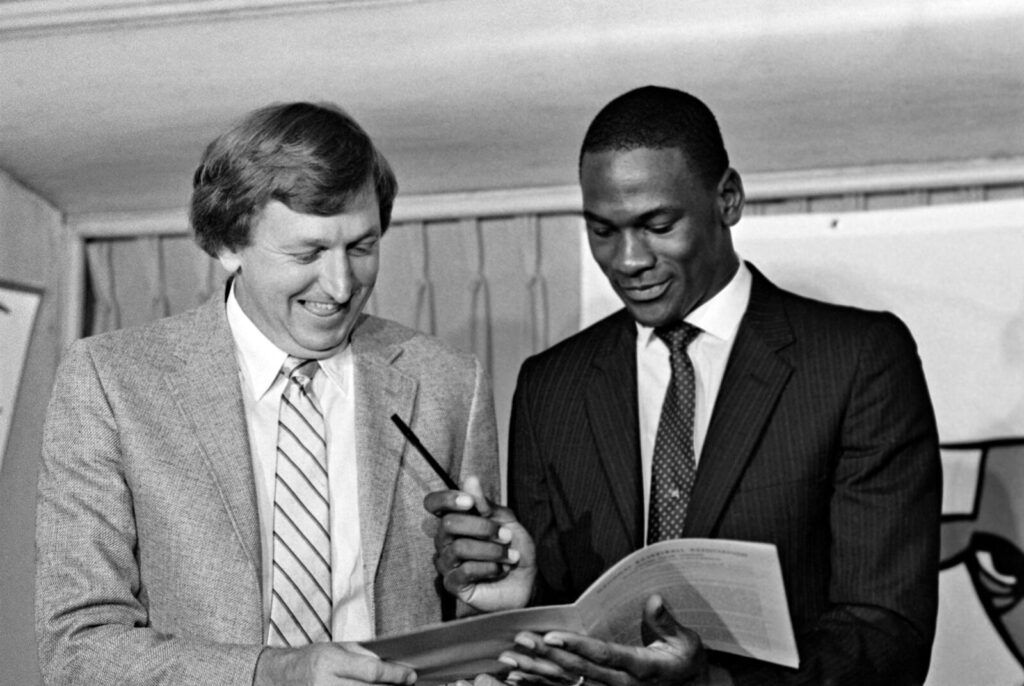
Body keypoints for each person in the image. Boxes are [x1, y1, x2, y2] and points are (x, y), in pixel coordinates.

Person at [427, 86, 942, 685]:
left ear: (728, 198)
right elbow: (566, 617)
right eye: (602, 230)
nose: (627, 260)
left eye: (657, 225)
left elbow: (886, 632)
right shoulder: (551, 385)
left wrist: (710, 685)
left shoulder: (857, 360)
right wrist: (520, 594)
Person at [35, 102, 499, 686]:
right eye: (307, 253)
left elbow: (472, 626)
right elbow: (77, 650)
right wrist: (273, 673)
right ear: (228, 245)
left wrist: (496, 599)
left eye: (361, 247)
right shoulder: (109, 382)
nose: (340, 286)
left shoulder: (450, 381)